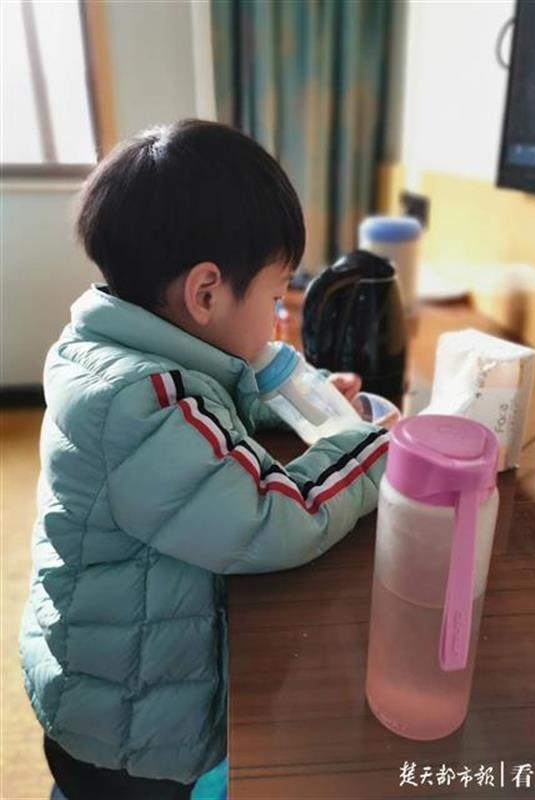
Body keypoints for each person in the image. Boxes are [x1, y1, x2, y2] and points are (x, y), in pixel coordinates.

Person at [19, 120, 390, 800]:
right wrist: (371, 449)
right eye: (275, 297)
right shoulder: (145, 402)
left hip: (100, 679)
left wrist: (287, 403)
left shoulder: (117, 351)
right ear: (206, 293)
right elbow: (270, 518)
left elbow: (206, 415)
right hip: (127, 727)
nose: (277, 317)